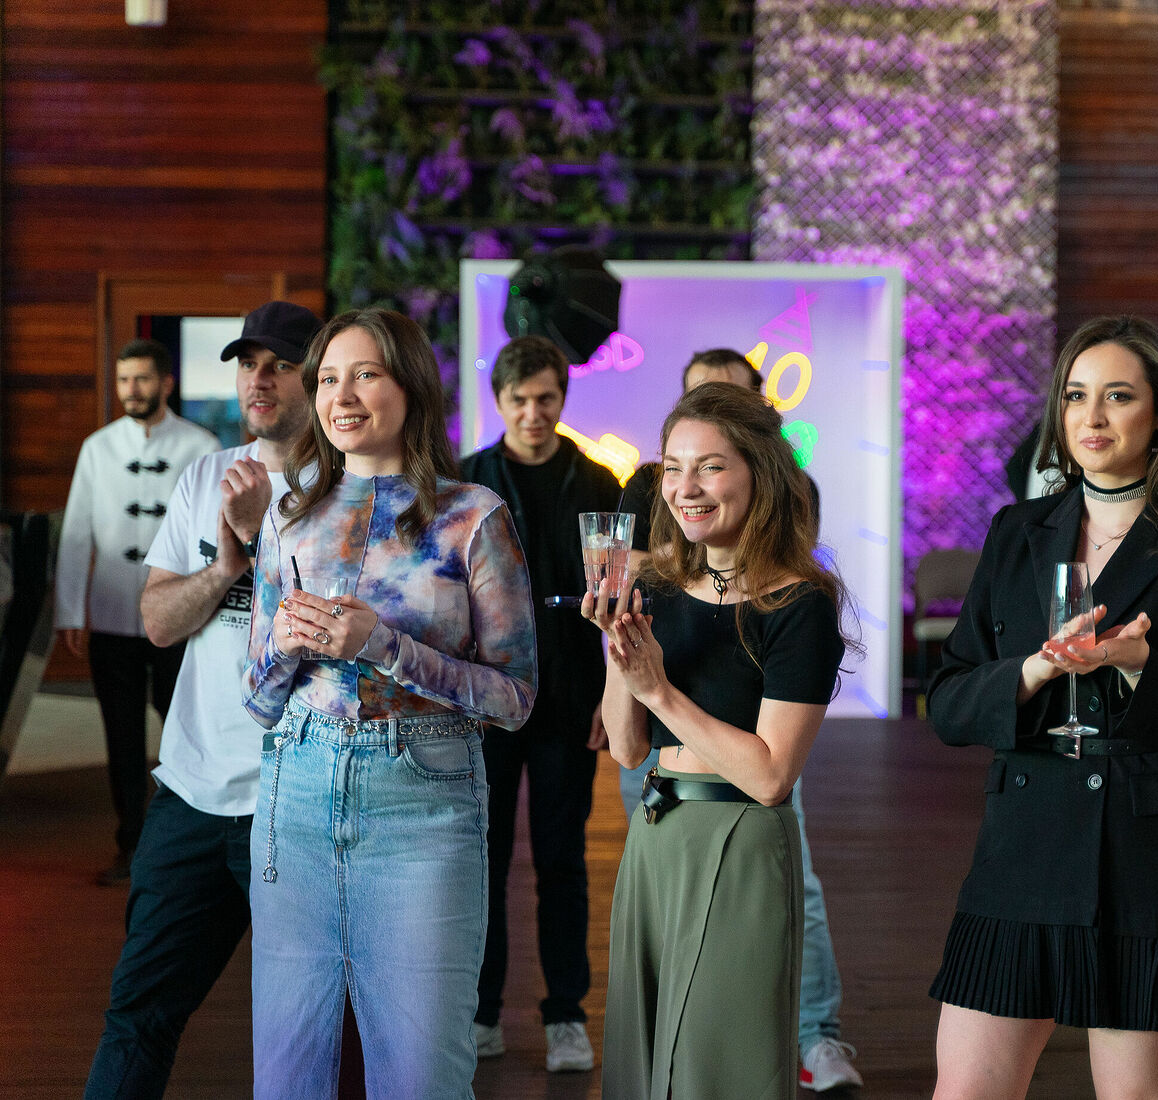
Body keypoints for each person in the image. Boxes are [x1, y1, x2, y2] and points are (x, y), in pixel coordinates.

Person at [926, 315, 1158, 1100]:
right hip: (1022, 850)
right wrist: (1035, 669)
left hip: (1152, 865)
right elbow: (948, 703)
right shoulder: (1017, 531)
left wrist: (1141, 668)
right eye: (1076, 396)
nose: (1092, 416)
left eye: (1118, 396)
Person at [241, 308, 537, 1099]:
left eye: (365, 374)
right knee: (288, 1073)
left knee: (421, 1073)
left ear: (410, 386)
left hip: (423, 808)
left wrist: (385, 647)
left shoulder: (472, 515)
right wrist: (285, 646)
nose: (342, 395)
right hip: (295, 799)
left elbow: (515, 698)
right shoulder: (288, 514)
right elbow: (258, 701)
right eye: (328, 378)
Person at [585, 381, 853, 1099]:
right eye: (674, 468)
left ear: (758, 474)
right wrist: (617, 642)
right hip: (657, 835)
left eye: (709, 467)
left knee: (719, 1067)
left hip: (741, 841)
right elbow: (627, 749)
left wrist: (659, 690)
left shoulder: (799, 604)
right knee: (643, 1062)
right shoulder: (661, 588)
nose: (685, 488)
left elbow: (769, 777)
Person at [83, 300, 319, 1098]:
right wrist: (224, 566)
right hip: (190, 795)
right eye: (248, 363)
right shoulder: (204, 476)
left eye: (280, 364)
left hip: (298, 800)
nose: (259, 379)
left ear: (317, 378)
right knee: (139, 1013)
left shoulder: (347, 488)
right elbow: (157, 620)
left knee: (305, 1028)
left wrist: (256, 538)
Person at [460, 335, 618, 1072]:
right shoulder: (467, 481)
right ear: (499, 401)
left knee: (562, 860)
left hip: (571, 690)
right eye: (519, 400)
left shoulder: (597, 482)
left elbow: (621, 599)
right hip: (486, 697)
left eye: (545, 398)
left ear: (562, 398)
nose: (532, 412)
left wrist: (614, 693)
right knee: (482, 860)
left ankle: (566, 1015)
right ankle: (482, 1011)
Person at [56, 337, 218, 884]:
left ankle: (187, 843)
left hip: (178, 618)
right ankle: (130, 844)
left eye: (142, 379)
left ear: (166, 383)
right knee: (121, 736)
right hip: (110, 615)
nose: (132, 389)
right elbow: (76, 534)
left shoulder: (200, 445)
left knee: (184, 729)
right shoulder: (97, 448)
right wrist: (69, 611)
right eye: (124, 379)